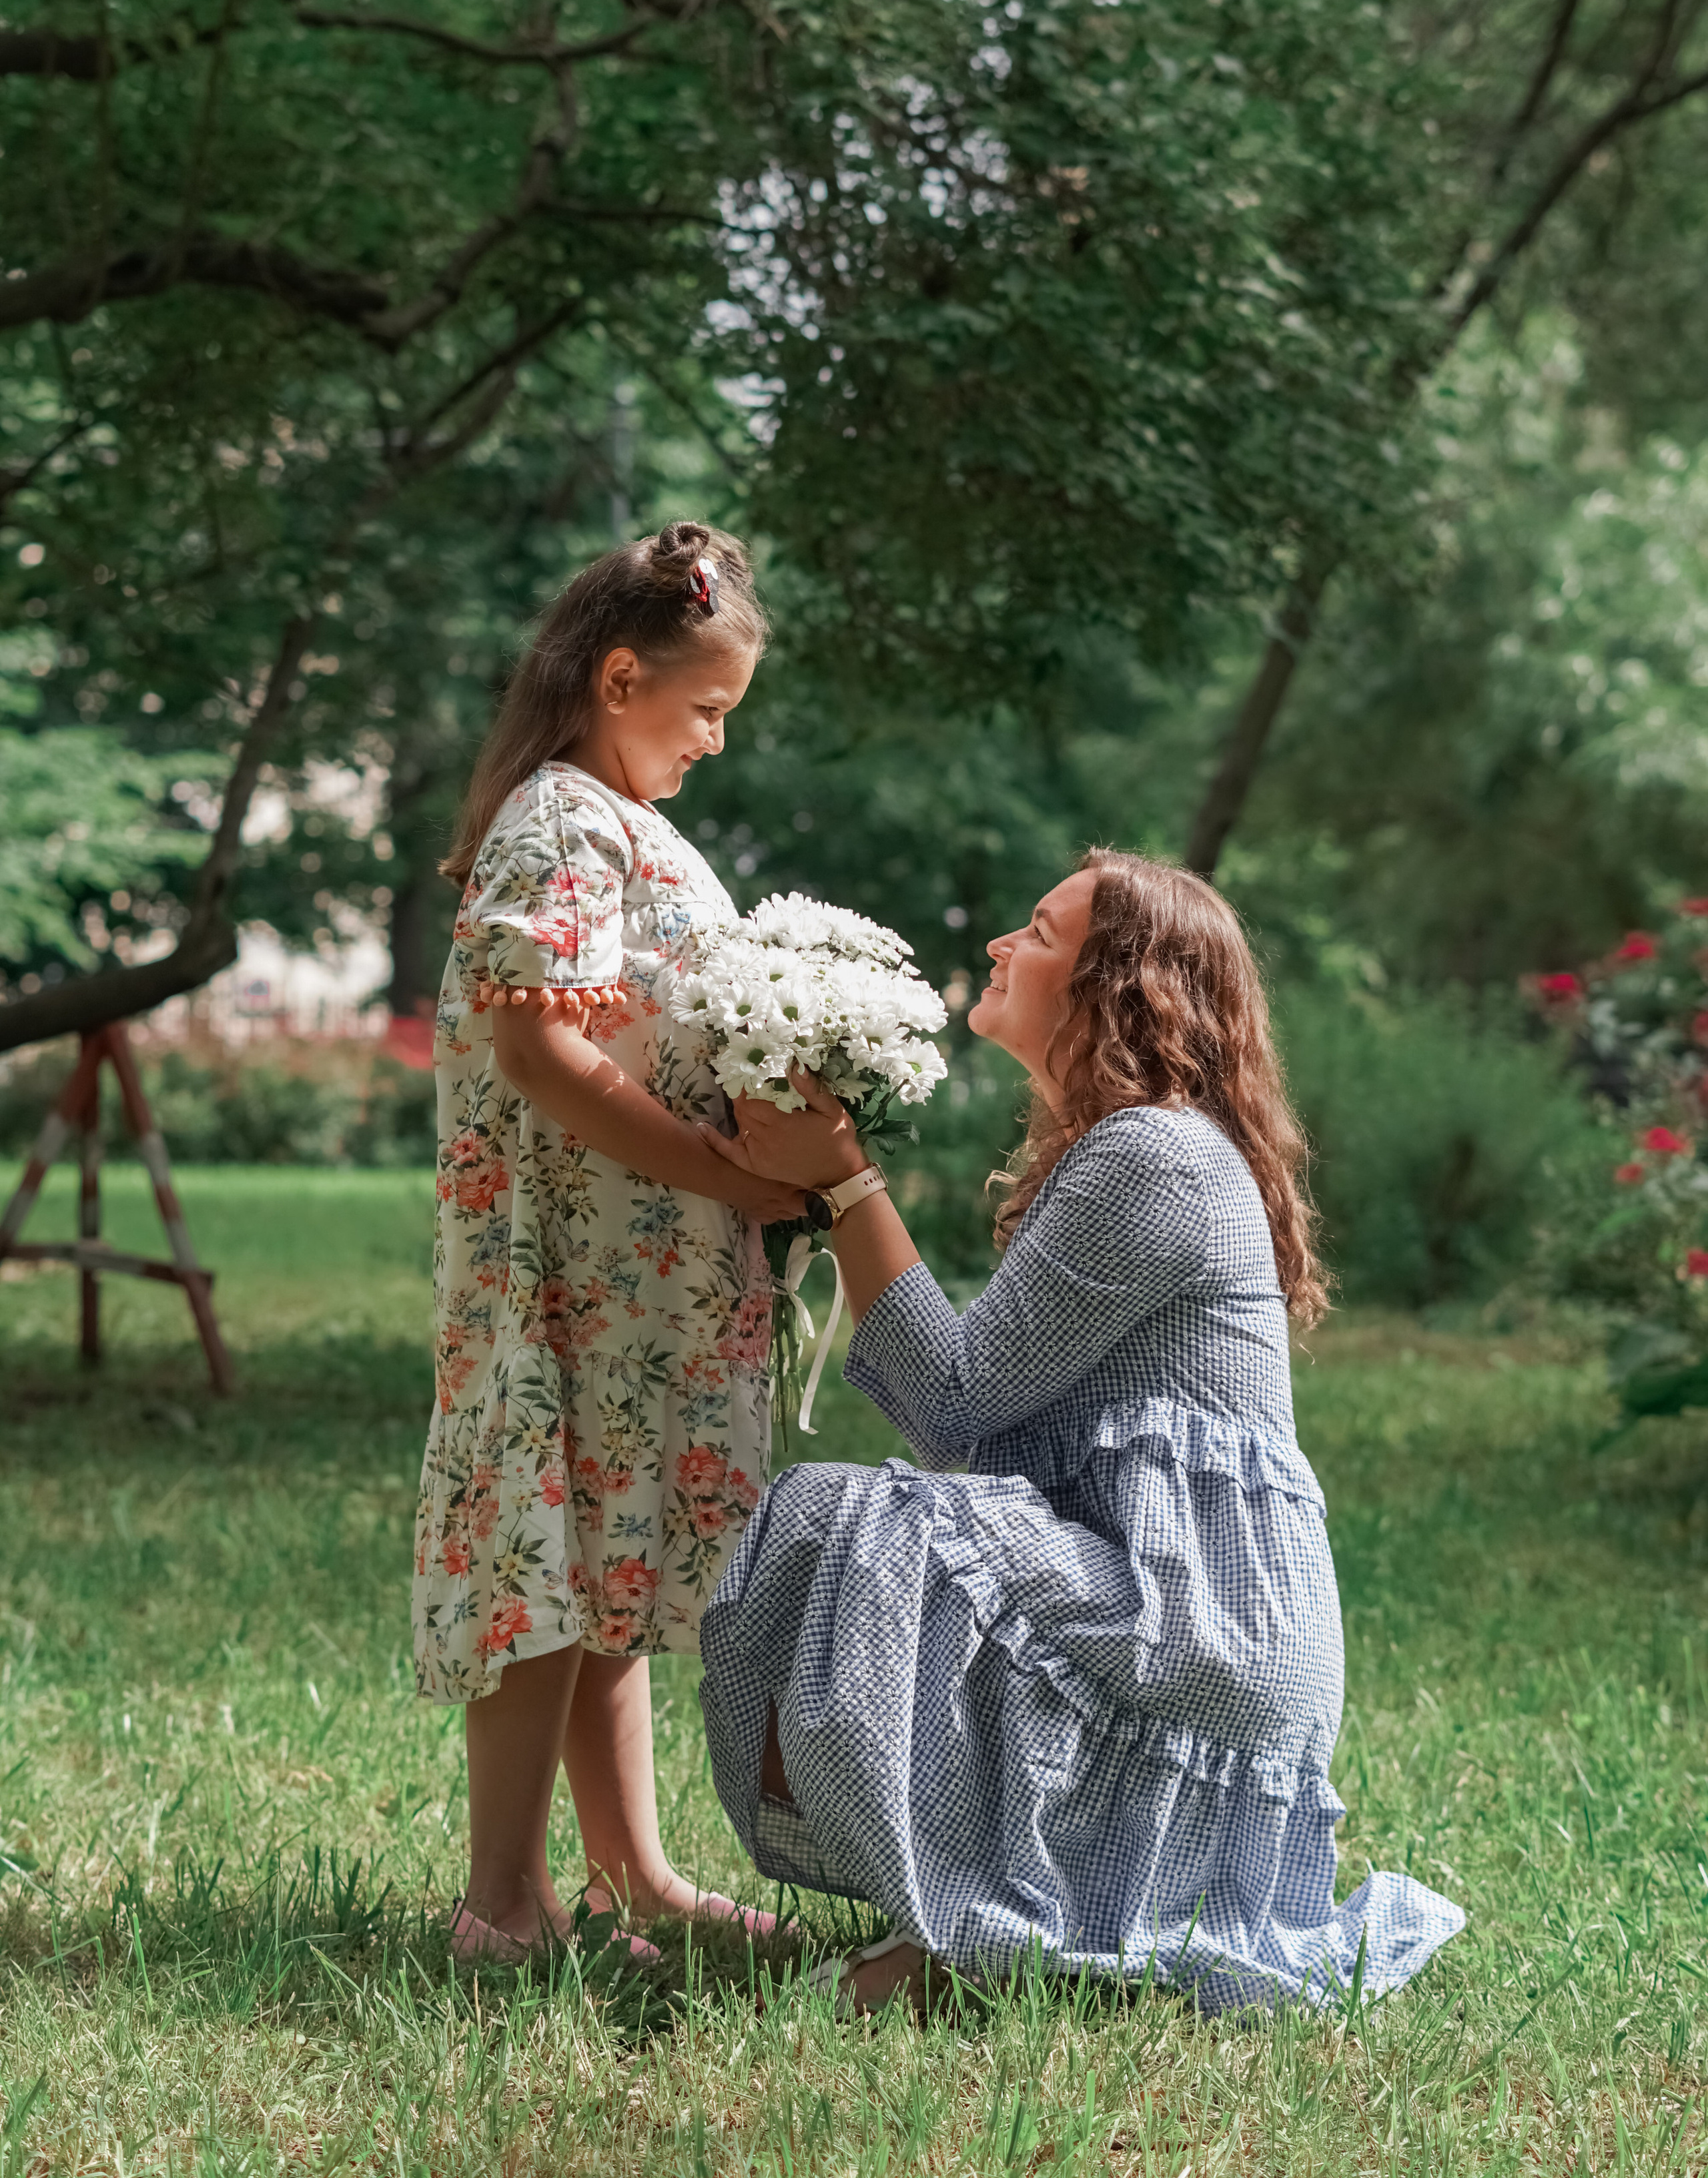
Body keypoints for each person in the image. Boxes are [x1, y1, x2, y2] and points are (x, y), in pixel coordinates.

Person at [696, 852, 1466, 2013]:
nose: (1005, 944)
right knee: (877, 1528)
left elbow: (955, 1403)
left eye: (1041, 932)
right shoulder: (1128, 1150)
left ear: (1122, 984)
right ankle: (973, 1917)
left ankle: (982, 1933)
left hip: (1204, 1631)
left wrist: (848, 1183)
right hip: (1179, 1608)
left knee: (849, 1520)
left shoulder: (1152, 1156)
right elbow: (993, 1442)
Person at [414, 520, 805, 1962]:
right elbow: (543, 1053)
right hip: (572, 1272)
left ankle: (629, 1872)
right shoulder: (564, 820)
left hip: (630, 1273)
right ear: (623, 675)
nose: (713, 741)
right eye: (704, 710)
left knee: (601, 1566)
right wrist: (721, 1166)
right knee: (547, 1567)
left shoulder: (611, 817)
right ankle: (501, 1902)